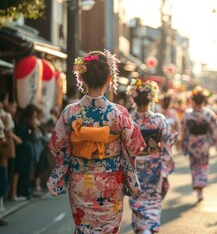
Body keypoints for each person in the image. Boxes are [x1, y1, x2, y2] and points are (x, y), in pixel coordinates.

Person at [47, 50, 146, 233]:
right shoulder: (119, 113)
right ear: (109, 79)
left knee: (83, 227)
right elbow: (135, 145)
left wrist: (74, 151)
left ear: (82, 78)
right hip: (111, 181)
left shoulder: (70, 112)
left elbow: (56, 143)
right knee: (108, 229)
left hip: (80, 182)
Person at [127, 79, 177, 234]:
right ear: (151, 98)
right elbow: (169, 141)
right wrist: (165, 166)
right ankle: (149, 227)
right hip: (154, 167)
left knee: (136, 197)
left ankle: (142, 226)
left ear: (133, 98)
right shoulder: (159, 119)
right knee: (153, 199)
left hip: (133, 167)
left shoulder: (128, 119)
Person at [181, 87, 217, 202]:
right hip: (203, 142)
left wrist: (184, 143)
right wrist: (211, 142)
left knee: (194, 165)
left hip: (192, 141)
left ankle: (197, 185)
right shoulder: (208, 113)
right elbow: (215, 127)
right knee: (203, 164)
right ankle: (200, 187)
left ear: (193, 100)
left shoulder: (188, 114)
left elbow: (184, 130)